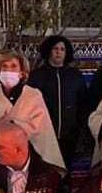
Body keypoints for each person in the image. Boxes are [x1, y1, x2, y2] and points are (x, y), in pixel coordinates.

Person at [0, 50, 64, 169]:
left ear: (22, 72)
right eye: (4, 67)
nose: (8, 71)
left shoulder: (33, 95)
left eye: (13, 66)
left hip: (29, 159)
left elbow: (39, 128)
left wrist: (11, 127)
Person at [29, 35, 87, 164]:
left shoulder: (75, 76)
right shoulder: (37, 76)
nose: (58, 52)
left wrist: (81, 130)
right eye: (55, 48)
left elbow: (83, 104)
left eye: (62, 49)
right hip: (44, 133)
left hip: (70, 135)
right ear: (49, 50)